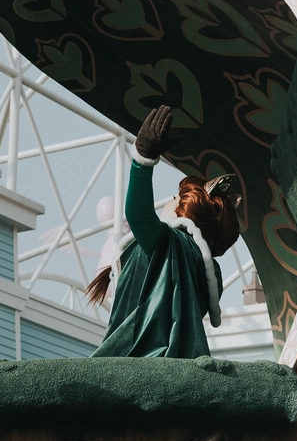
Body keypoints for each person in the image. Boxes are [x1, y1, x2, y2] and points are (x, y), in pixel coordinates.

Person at [87, 106, 240, 358]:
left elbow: (139, 216)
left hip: (140, 359)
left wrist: (142, 158)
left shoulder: (169, 243)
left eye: (174, 197)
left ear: (183, 211)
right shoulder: (208, 270)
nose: (169, 201)